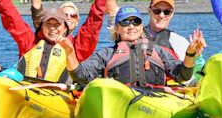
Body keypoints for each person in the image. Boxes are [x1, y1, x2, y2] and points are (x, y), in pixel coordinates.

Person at [0, 0, 117, 82]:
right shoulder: (30, 42)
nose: (53, 28)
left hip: (59, 98)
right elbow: (12, 18)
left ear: (65, 27)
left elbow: (92, 27)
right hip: (28, 93)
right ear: (41, 26)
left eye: (57, 24)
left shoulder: (75, 48)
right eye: (48, 24)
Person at [70, 7, 206, 87]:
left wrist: (190, 54)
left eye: (136, 22)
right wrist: (69, 52)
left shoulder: (158, 51)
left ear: (141, 27)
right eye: (125, 22)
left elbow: (182, 75)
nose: (131, 27)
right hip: (120, 99)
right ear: (117, 28)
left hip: (155, 100)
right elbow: (80, 75)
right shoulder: (106, 54)